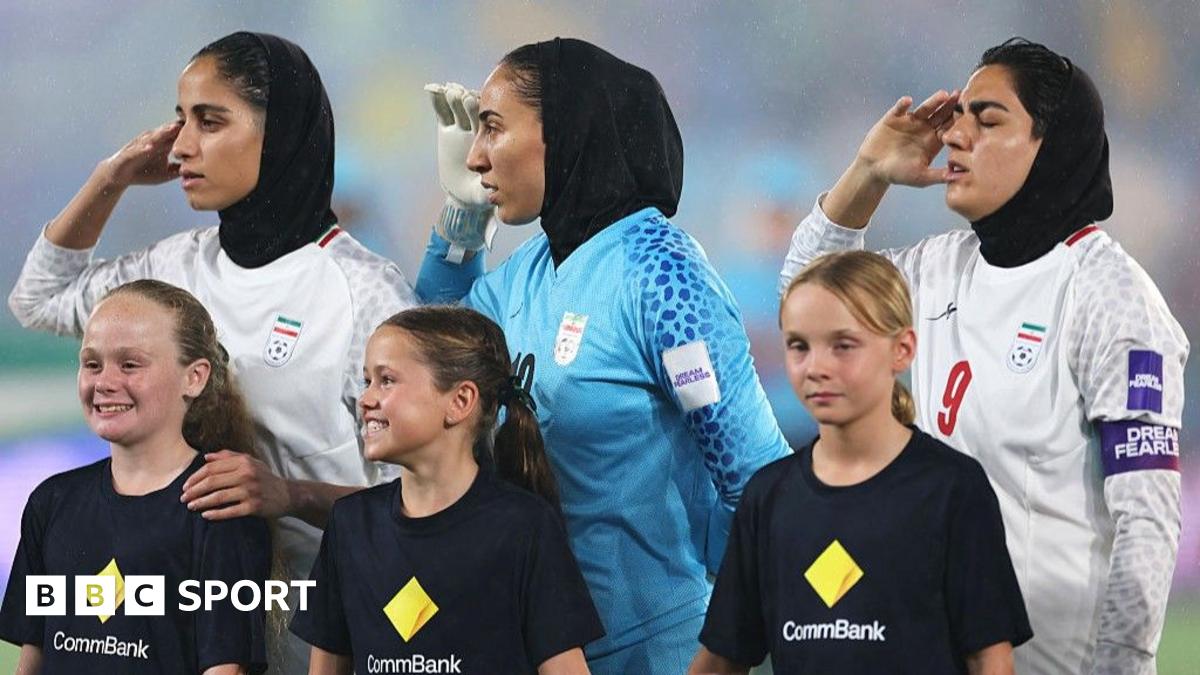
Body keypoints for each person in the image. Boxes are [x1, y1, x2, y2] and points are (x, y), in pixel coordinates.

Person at [6, 31, 417, 670]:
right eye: (181, 120)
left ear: (277, 133)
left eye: (211, 121)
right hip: (194, 639)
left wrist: (290, 494)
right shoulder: (174, 268)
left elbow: (426, 502)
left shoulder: (366, 293)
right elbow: (39, 298)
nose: (181, 146)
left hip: (337, 641)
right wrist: (111, 177)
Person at [777, 38, 1186, 674]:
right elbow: (807, 297)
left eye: (987, 121)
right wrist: (868, 172)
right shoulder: (937, 269)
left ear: (1051, 145)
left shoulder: (1111, 297)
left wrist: (1122, 664)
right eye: (957, 117)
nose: (954, 136)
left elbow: (1147, 517)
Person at [416, 38, 791, 673]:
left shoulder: (663, 277)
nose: (476, 156)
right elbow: (431, 354)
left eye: (494, 128)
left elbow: (756, 482)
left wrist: (722, 646)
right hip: (535, 648)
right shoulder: (529, 271)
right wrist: (461, 219)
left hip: (661, 652)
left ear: (565, 131)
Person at [690, 251, 1031, 674]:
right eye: (799, 346)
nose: (816, 367)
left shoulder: (951, 489)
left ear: (902, 349)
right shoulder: (769, 497)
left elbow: (990, 660)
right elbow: (722, 661)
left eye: (843, 346)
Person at [290, 306, 603, 674]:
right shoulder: (350, 525)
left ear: (460, 401)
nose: (366, 399)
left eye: (386, 380)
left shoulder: (523, 527)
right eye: (367, 381)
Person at [0, 280, 272, 674]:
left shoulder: (219, 507)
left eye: (130, 364)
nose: (105, 382)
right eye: (92, 364)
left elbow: (224, 667)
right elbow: (33, 657)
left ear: (194, 377)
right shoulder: (52, 502)